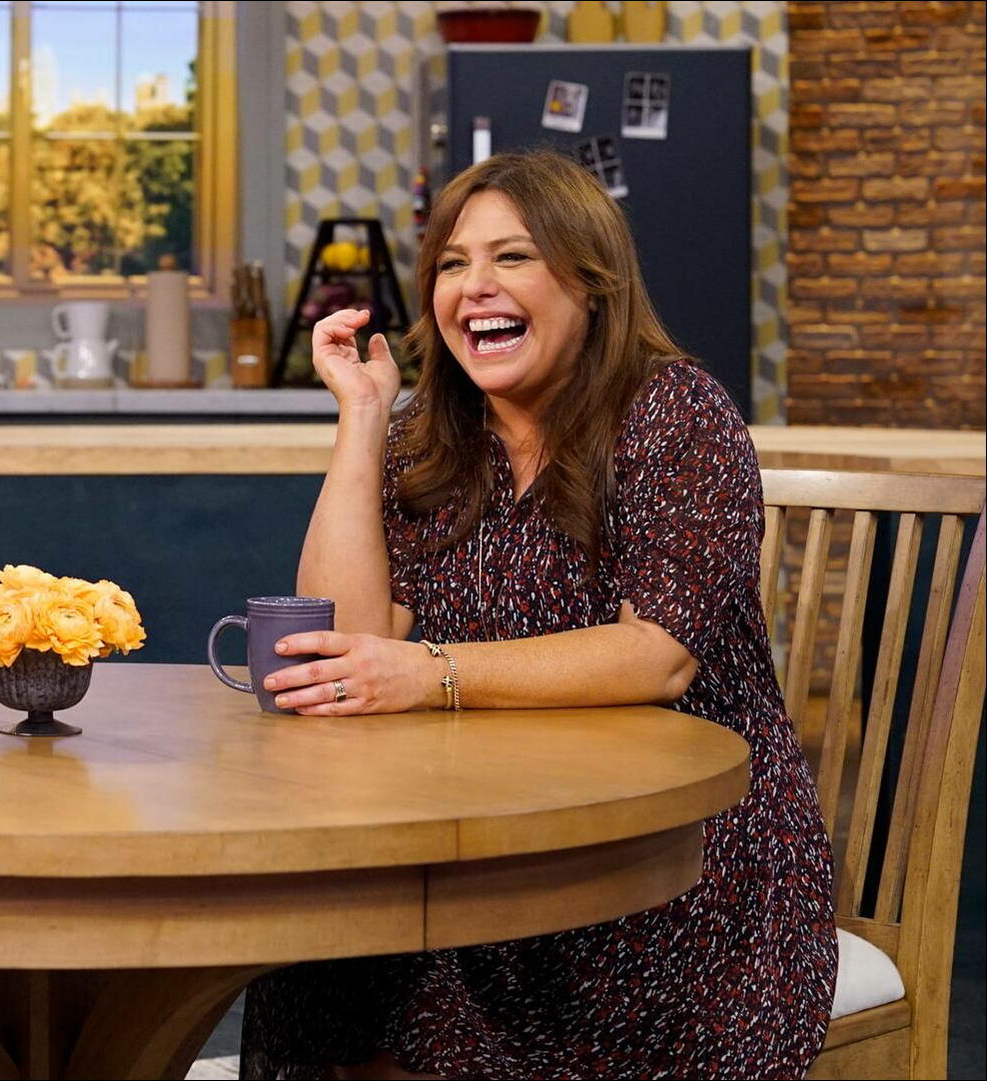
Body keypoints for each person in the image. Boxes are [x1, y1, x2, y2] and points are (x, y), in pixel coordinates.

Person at [239, 151, 836, 1079]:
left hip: (678, 862)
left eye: (512, 256)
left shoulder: (678, 414)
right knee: (324, 961)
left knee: (407, 992)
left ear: (590, 283)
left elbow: (658, 656)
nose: (474, 285)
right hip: (485, 838)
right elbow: (347, 640)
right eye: (451, 263)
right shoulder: (434, 438)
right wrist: (362, 418)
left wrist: (432, 672)